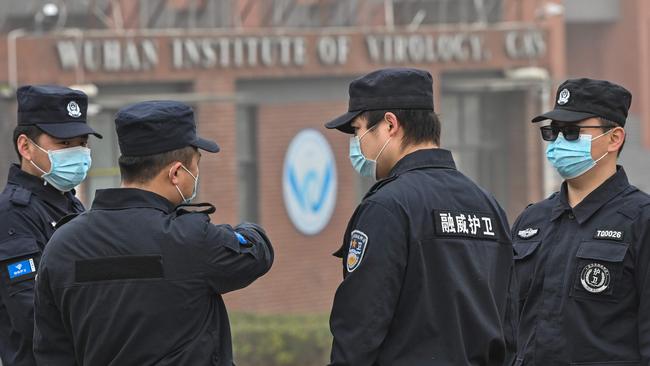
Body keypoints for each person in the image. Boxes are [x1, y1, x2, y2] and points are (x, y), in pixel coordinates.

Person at [32, 100, 274, 365]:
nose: (196, 174)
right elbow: (257, 253)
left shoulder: (62, 244)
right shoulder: (191, 239)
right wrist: (245, 231)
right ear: (176, 173)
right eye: (196, 165)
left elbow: (51, 351)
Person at [324, 68, 515, 366]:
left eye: (358, 129)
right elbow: (509, 326)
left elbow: (359, 328)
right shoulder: (488, 205)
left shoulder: (387, 207)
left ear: (390, 125)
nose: (356, 142)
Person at [512, 78, 650, 365]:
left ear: (614, 138)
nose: (560, 141)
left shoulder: (640, 221)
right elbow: (506, 324)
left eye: (573, 131)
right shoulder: (532, 220)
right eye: (553, 132)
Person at [0, 85, 101, 366]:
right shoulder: (12, 215)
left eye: (82, 142)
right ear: (25, 146)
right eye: (64, 144)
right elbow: (33, 314)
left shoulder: (70, 204)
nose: (78, 153)